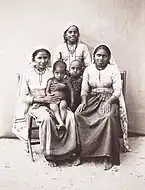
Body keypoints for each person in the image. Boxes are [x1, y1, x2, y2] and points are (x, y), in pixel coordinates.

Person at [13, 48, 79, 166]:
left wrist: (62, 90)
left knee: (70, 117)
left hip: (57, 103)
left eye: (45, 58)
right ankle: (50, 154)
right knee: (47, 119)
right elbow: (22, 97)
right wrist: (42, 99)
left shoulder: (53, 71)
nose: (42, 61)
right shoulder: (27, 74)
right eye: (39, 58)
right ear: (33, 59)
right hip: (37, 105)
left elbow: (67, 85)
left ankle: (67, 152)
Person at [75, 44, 129, 170]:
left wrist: (108, 102)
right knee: (78, 115)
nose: (101, 58)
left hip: (110, 99)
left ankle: (107, 155)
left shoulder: (113, 69)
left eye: (104, 56)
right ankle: (82, 153)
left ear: (108, 57)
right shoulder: (88, 70)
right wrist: (83, 101)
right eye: (98, 55)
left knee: (108, 117)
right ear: (94, 56)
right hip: (92, 99)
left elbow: (117, 91)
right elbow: (84, 89)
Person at [46, 60, 74, 133]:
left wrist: (72, 101)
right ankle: (61, 123)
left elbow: (71, 91)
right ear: (53, 72)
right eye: (57, 73)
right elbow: (47, 91)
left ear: (65, 73)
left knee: (63, 106)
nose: (59, 75)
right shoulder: (50, 81)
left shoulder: (66, 81)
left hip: (62, 100)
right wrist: (49, 95)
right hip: (53, 100)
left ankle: (61, 123)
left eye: (62, 73)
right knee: (54, 108)